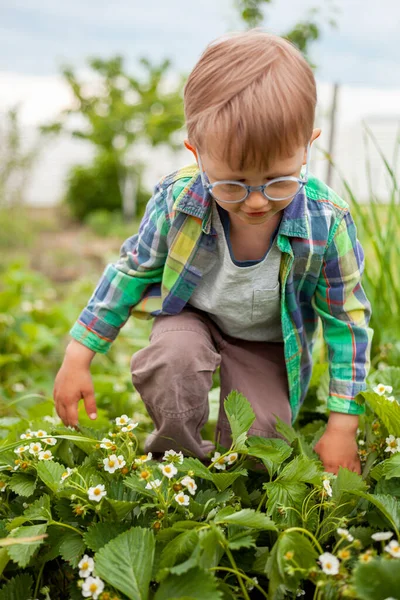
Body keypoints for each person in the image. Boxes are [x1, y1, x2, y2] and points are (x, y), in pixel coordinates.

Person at [53, 29, 373, 475]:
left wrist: (343, 426)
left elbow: (347, 322)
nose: (257, 201)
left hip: (265, 340)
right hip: (193, 318)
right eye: (232, 184)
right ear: (197, 152)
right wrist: (78, 354)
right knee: (173, 362)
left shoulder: (326, 222)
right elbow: (133, 270)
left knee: (262, 449)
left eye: (279, 180)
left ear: (307, 146)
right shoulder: (178, 201)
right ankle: (176, 462)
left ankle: (233, 468)